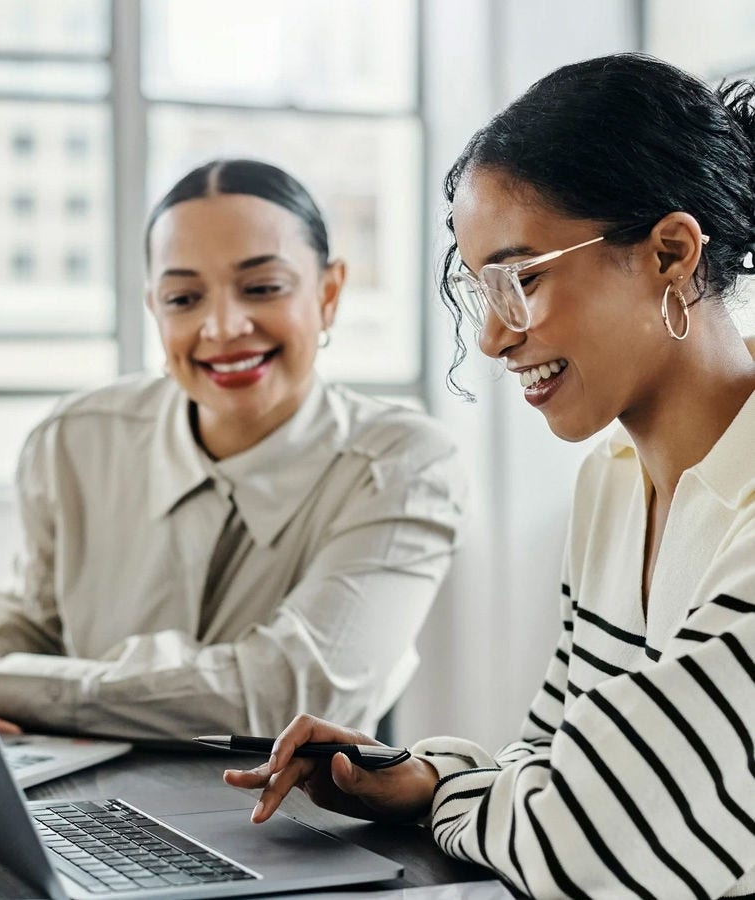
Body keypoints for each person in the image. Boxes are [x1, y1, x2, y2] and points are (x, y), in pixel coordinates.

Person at [225, 54, 755, 898]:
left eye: (524, 280)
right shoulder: (613, 482)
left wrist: (459, 795)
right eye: (483, 291)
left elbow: (585, 849)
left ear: (670, 252)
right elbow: (549, 762)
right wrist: (424, 780)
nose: (494, 340)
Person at [0, 158, 466, 742]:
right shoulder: (74, 441)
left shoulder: (403, 463)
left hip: (294, 820)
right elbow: (26, 628)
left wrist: (8, 686)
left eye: (262, 288)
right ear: (154, 310)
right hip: (84, 807)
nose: (223, 326)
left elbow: (292, 698)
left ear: (329, 292)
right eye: (183, 298)